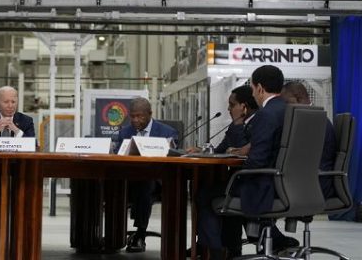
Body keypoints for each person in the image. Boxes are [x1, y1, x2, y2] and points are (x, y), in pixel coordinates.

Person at [198, 65, 291, 260]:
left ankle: (215, 251)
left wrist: (238, 175)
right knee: (226, 187)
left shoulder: (266, 115)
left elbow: (256, 162)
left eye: (253, 89)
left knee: (205, 192)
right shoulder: (289, 110)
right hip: (288, 184)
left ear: (259, 88)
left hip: (266, 186)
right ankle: (230, 247)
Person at [116, 97, 178, 253]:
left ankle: (140, 235)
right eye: (132, 116)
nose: (135, 120)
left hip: (156, 182)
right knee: (112, 183)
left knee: (145, 183)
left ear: (150, 114)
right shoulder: (124, 132)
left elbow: (175, 158)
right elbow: (117, 155)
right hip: (128, 179)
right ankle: (112, 236)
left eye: (140, 116)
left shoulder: (167, 132)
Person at [280, 81, 337, 198]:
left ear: (299, 98)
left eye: (286, 103)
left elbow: (298, 159)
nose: (285, 108)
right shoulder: (317, 118)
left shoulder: (311, 121)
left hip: (314, 183)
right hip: (313, 180)